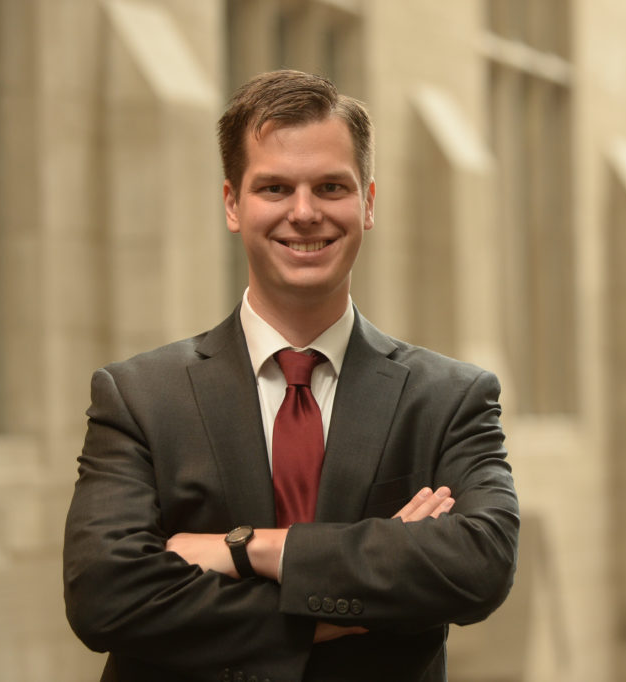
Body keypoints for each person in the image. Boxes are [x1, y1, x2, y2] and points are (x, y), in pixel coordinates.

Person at [63, 69, 519, 682]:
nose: (304, 213)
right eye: (274, 188)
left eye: (331, 186)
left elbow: (480, 562)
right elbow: (106, 596)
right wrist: (346, 597)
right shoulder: (140, 398)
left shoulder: (449, 399)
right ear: (232, 204)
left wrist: (245, 547)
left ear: (369, 202)